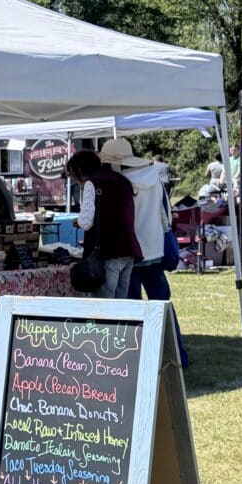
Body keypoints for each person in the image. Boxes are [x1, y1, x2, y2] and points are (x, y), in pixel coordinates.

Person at [124, 155, 189, 367]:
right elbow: (166, 214)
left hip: (132, 250)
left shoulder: (122, 182)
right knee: (163, 306)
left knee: (133, 306)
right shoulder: (155, 179)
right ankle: (177, 354)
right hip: (154, 249)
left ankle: (137, 358)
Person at [67, 142, 142, 299]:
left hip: (107, 251)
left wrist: (78, 222)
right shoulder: (122, 180)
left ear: (79, 170)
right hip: (129, 248)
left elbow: (86, 221)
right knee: (121, 301)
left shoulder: (93, 183)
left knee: (104, 303)